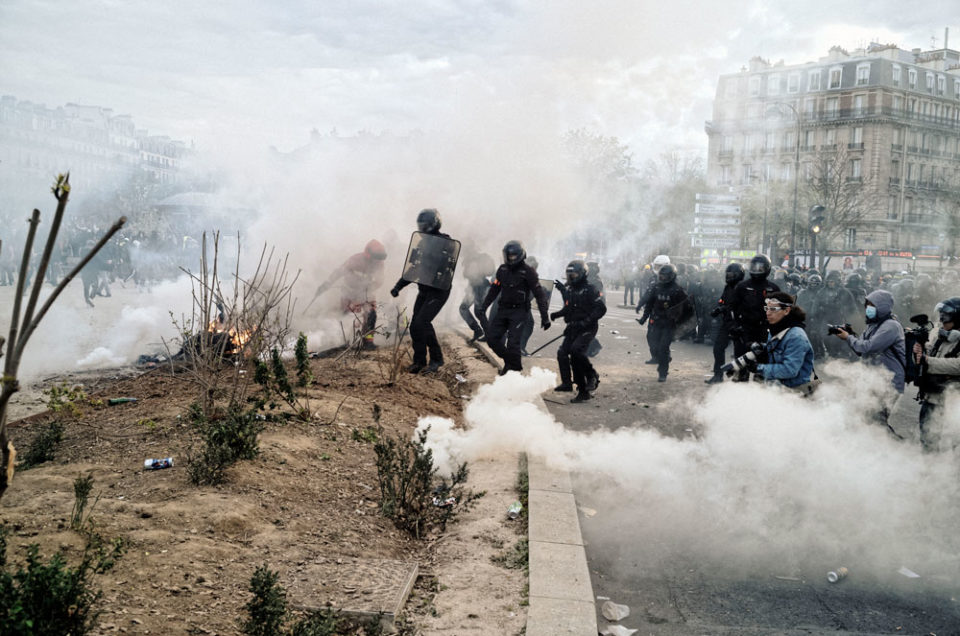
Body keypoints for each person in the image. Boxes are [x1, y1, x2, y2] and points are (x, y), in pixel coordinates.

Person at [390, 209, 453, 373]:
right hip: (424, 290)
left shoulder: (446, 243)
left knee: (422, 323)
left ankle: (437, 359)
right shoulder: (421, 243)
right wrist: (398, 286)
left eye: (425, 225)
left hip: (439, 290)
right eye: (421, 226)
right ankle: (419, 361)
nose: (423, 228)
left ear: (434, 224)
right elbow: (414, 268)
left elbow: (446, 265)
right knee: (414, 326)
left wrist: (435, 256)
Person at [481, 240, 551, 374]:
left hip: (519, 311)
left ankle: (511, 370)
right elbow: (494, 290)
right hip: (503, 308)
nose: (510, 258)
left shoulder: (529, 272)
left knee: (513, 344)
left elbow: (540, 295)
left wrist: (545, 317)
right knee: (492, 339)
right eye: (508, 256)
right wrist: (484, 306)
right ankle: (513, 363)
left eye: (513, 256)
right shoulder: (502, 269)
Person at [314, 238, 388, 349]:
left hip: (366, 293)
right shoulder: (355, 260)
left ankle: (368, 342)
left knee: (371, 314)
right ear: (369, 254)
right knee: (348, 317)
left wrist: (370, 286)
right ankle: (346, 340)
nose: (378, 261)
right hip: (349, 293)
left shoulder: (379, 264)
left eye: (379, 259)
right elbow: (339, 271)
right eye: (376, 258)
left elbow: (380, 280)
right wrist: (327, 283)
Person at [551, 260, 607, 402]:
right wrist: (557, 314)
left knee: (576, 352)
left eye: (574, 275)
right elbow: (568, 308)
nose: (570, 278)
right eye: (568, 275)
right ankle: (567, 383)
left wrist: (586, 321)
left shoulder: (590, 289)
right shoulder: (570, 289)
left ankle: (588, 382)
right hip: (573, 327)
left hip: (587, 327)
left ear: (582, 274)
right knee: (562, 352)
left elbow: (601, 309)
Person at [832, 290, 905, 393]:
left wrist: (848, 337)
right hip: (874, 378)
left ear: (882, 307)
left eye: (871, 305)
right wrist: (850, 334)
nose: (867, 308)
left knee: (880, 409)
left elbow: (869, 347)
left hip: (889, 381)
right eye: (867, 305)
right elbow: (860, 351)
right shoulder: (873, 325)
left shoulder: (891, 326)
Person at [912, 297, 960, 451]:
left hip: (952, 402)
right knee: (928, 440)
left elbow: (958, 365)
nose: (941, 320)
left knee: (951, 445)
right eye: (940, 315)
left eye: (945, 317)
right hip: (931, 397)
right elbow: (926, 356)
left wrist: (928, 361)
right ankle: (929, 471)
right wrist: (919, 352)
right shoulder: (940, 335)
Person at [637, 263, 691, 382]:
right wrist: (644, 318)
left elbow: (687, 309)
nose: (662, 278)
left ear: (671, 276)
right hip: (656, 321)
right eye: (660, 276)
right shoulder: (656, 288)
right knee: (652, 342)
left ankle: (663, 372)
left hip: (669, 324)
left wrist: (681, 324)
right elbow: (650, 304)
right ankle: (662, 358)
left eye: (665, 276)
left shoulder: (678, 290)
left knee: (663, 348)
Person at [729, 255, 780, 380]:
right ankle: (739, 393)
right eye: (754, 267)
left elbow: (780, 312)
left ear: (767, 269)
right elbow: (732, 309)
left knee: (762, 367)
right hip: (744, 330)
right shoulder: (742, 286)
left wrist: (777, 330)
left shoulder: (773, 288)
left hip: (764, 330)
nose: (757, 270)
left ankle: (759, 395)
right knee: (741, 367)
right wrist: (734, 326)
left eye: (760, 268)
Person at [753, 292, 816, 392]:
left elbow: (789, 370)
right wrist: (762, 348)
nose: (768, 313)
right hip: (777, 387)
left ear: (786, 311)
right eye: (767, 308)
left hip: (794, 392)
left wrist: (759, 368)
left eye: (773, 309)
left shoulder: (796, 336)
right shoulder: (776, 328)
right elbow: (780, 349)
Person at [705, 262, 745, 384]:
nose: (728, 277)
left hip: (739, 324)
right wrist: (718, 308)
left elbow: (740, 306)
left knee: (739, 353)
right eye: (727, 274)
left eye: (731, 274)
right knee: (718, 348)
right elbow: (723, 301)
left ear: (739, 275)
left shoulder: (743, 288)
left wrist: (724, 308)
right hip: (727, 322)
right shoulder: (727, 287)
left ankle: (741, 378)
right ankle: (718, 375)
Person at [459, 251, 494, 342]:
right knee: (471, 310)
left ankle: (484, 333)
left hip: (479, 286)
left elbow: (468, 274)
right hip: (476, 286)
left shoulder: (472, 259)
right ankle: (480, 331)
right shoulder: (476, 258)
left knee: (477, 311)